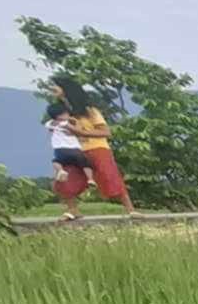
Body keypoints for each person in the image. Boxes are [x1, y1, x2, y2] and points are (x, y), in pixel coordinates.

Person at [44, 76, 137, 219]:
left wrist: (81, 132)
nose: (52, 89)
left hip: (97, 148)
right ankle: (72, 210)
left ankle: (130, 210)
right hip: (74, 150)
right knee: (65, 178)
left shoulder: (90, 111)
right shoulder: (59, 112)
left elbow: (106, 132)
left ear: (65, 89)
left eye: (56, 86)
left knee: (109, 176)